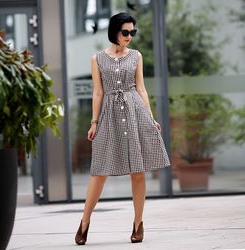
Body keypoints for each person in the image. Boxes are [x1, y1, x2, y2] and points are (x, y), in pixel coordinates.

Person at [75, 12, 170, 245]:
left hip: (135, 111)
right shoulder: (97, 58)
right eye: (125, 32)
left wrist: (150, 116)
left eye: (132, 32)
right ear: (115, 31)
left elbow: (141, 88)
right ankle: (84, 222)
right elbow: (97, 92)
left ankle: (138, 224)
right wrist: (93, 122)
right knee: (99, 172)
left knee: (137, 172)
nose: (129, 36)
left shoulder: (136, 56)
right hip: (109, 115)